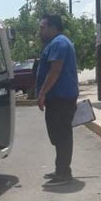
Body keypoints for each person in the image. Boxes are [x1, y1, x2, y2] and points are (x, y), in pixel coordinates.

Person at [36, 14, 79, 184]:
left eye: (42, 27)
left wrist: (42, 93)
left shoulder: (59, 43)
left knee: (61, 135)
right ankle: (60, 169)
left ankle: (63, 173)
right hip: (59, 99)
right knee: (58, 134)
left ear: (53, 28)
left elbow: (55, 70)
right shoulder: (57, 43)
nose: (40, 31)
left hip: (61, 98)